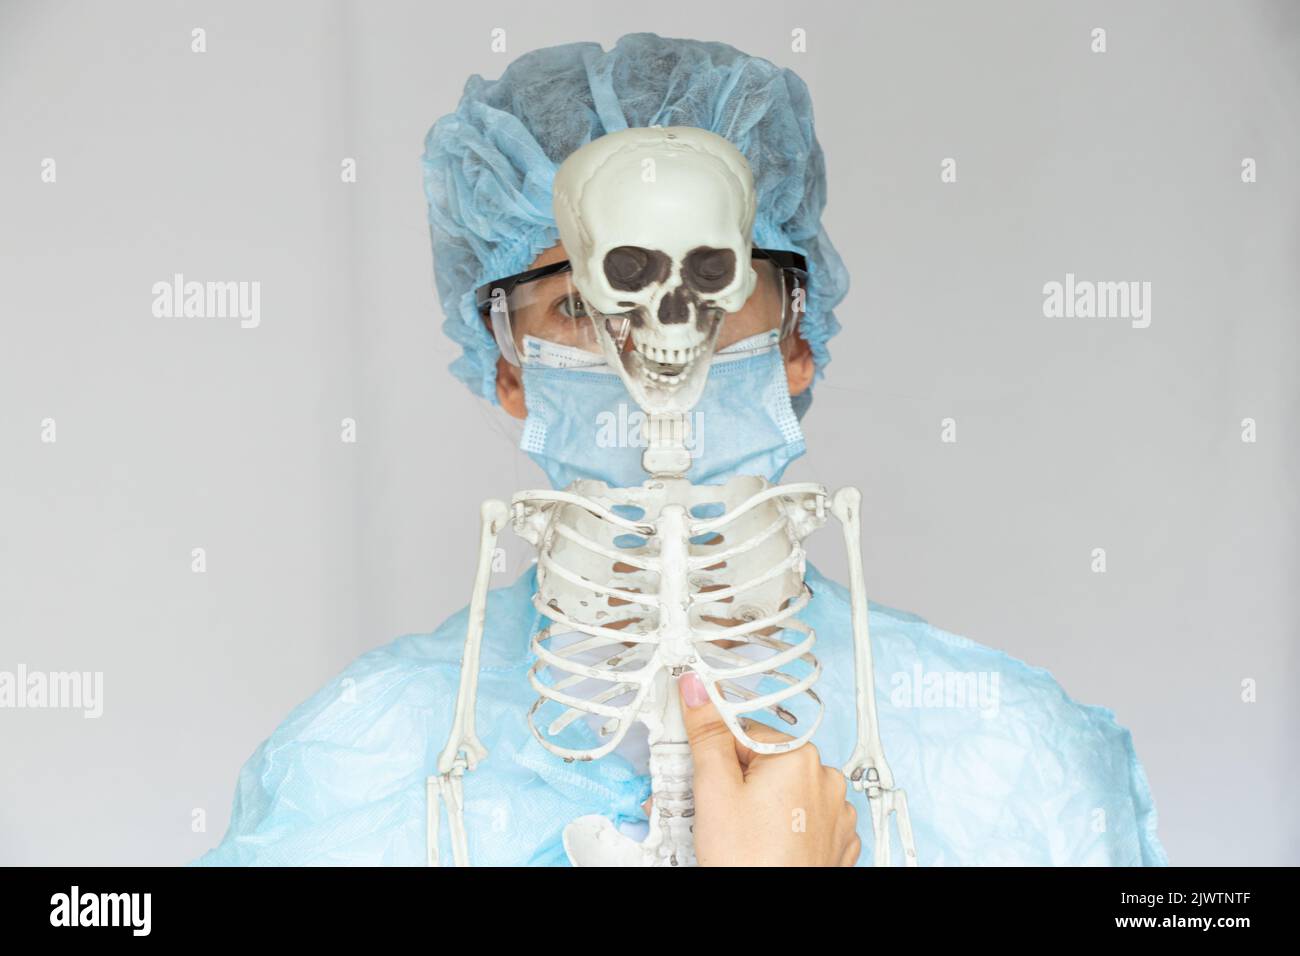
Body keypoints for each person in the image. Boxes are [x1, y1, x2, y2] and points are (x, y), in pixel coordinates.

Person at [195, 33, 1167, 867]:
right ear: (509, 369)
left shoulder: (1014, 763)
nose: (653, 356)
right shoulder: (352, 769)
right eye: (579, 302)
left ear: (797, 335)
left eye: (713, 281)